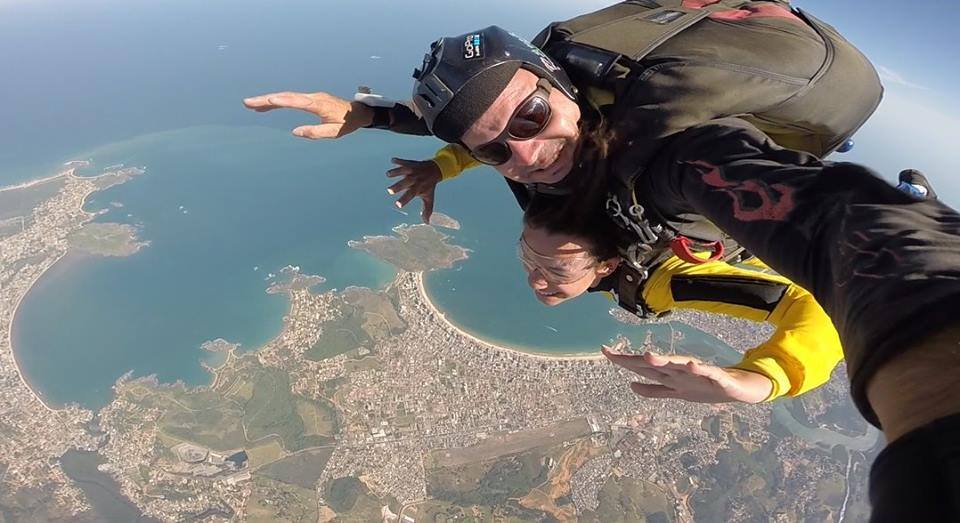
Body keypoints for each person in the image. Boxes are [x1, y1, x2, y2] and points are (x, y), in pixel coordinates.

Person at [518, 192, 842, 405]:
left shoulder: (664, 280)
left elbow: (821, 306)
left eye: (558, 270)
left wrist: (760, 380)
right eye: (526, 255)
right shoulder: (551, 206)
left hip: (834, 248)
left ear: (608, 266)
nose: (534, 278)